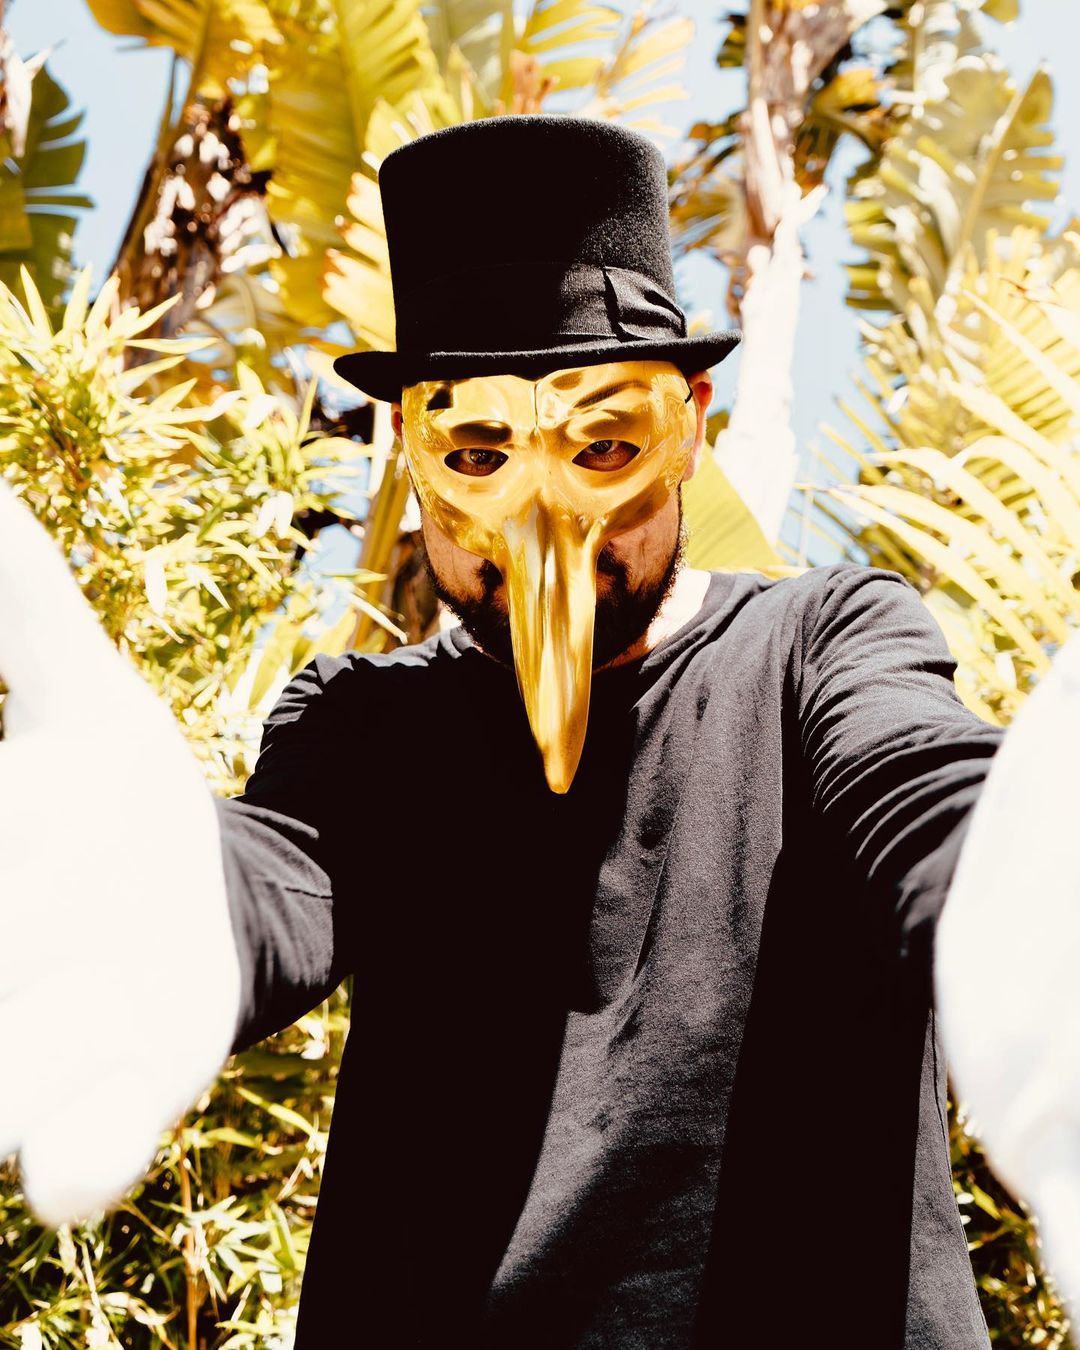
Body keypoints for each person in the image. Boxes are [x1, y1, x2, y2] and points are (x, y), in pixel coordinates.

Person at [2, 114, 1079, 1348]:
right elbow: (279, 874)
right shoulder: (368, 725)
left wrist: (1027, 894)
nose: (545, 521)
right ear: (409, 452)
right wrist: (159, 898)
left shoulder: (823, 645)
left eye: (604, 444)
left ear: (692, 422)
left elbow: (923, 786)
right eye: (477, 452)